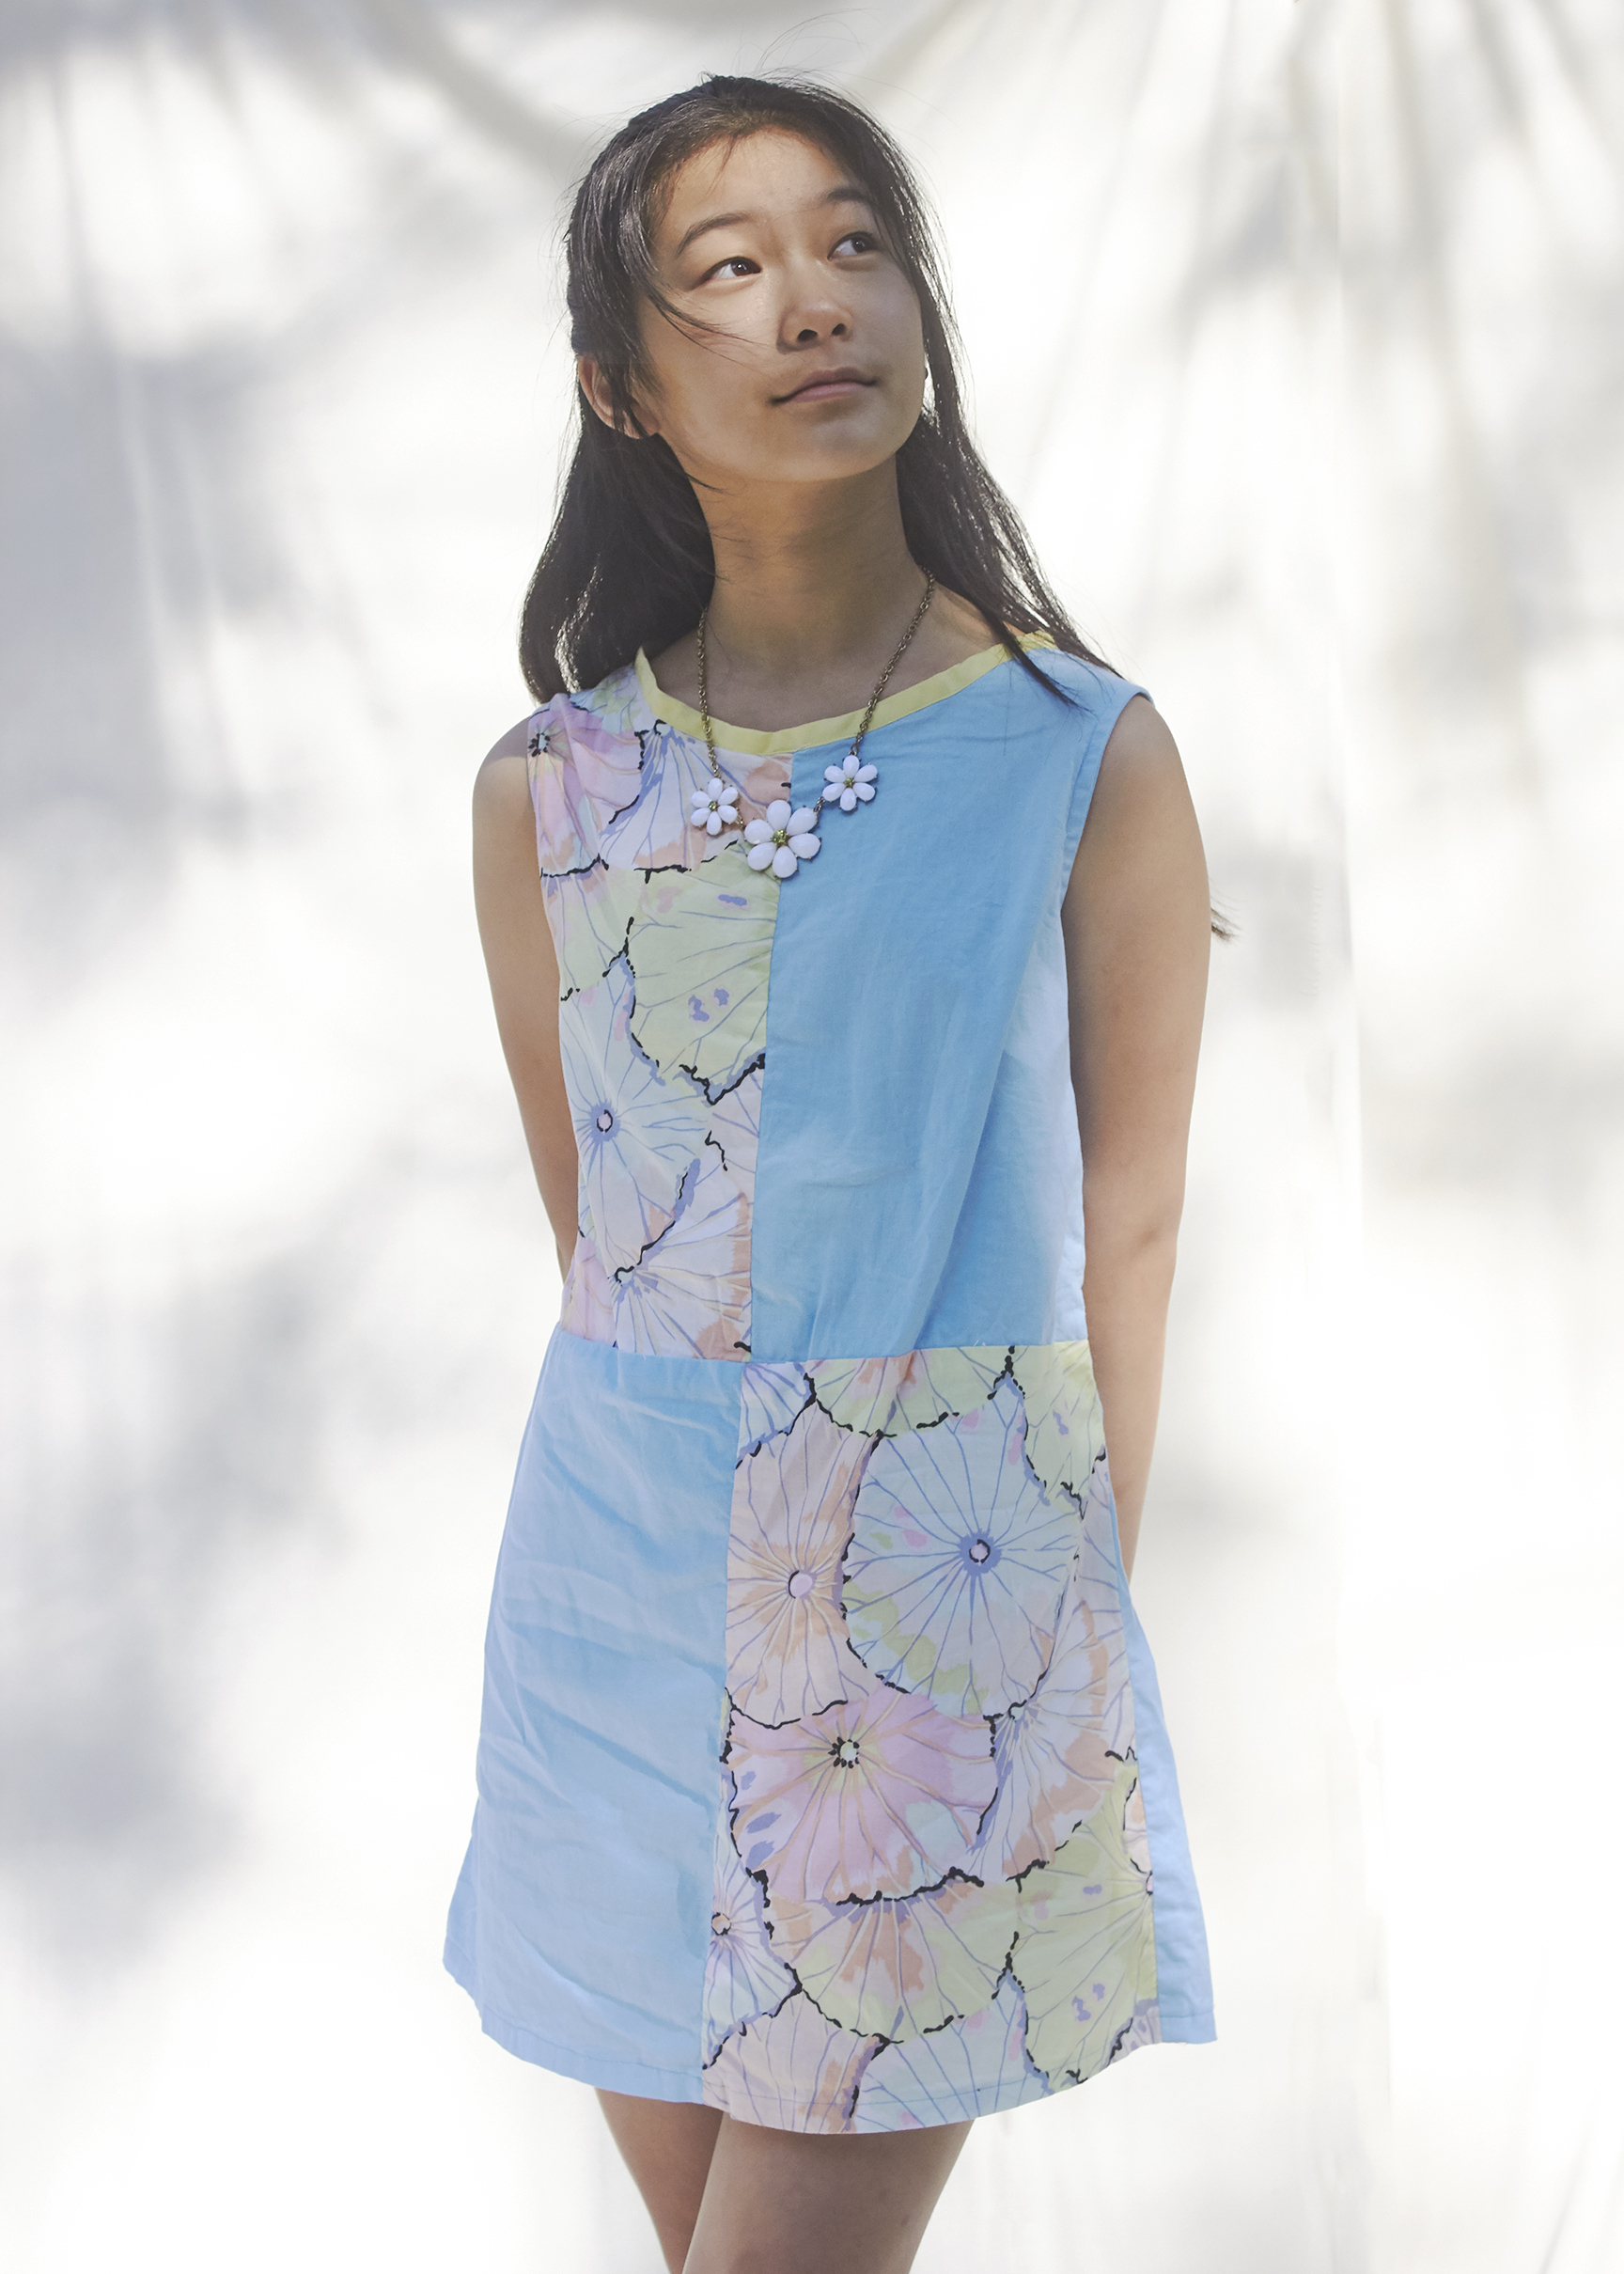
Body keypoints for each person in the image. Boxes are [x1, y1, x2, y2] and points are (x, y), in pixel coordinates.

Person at [445, 74, 1215, 2274]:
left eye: (857, 240)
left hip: (942, 1618)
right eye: (732, 264)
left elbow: (1136, 1229)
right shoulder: (544, 787)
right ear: (620, 380)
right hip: (611, 1599)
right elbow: (598, 1232)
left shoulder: (1087, 747)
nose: (816, 300)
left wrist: (1056, 1644)